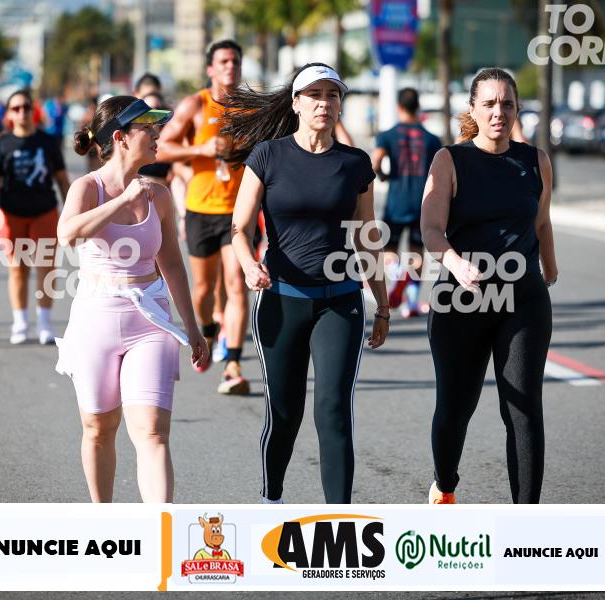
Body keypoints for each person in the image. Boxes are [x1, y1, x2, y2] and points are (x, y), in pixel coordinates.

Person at [224, 63, 390, 504]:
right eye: (314, 95)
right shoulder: (268, 156)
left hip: (340, 301)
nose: (324, 103)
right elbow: (239, 228)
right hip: (282, 300)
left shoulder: (355, 163)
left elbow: (367, 237)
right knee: (285, 412)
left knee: (333, 410)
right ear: (296, 103)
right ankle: (272, 501)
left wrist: (383, 304)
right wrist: (248, 265)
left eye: (332, 95)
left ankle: (339, 520)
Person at [56, 95, 207, 502]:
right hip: (96, 316)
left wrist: (192, 328)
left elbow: (171, 264)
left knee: (153, 431)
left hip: (150, 318)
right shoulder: (87, 188)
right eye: (148, 127)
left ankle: (159, 531)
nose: (158, 135)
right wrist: (122, 201)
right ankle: (105, 522)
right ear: (120, 137)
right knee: (98, 428)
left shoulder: (159, 194)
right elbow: (67, 234)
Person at [421, 68, 558, 505]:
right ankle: (445, 485)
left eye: (507, 104)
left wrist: (549, 266)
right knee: (455, 408)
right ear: (474, 109)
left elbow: (541, 221)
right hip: (461, 299)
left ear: (517, 109)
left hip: (523, 299)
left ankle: (526, 520)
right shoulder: (450, 160)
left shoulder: (536, 160)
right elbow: (431, 228)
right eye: (490, 104)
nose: (499, 112)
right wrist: (455, 263)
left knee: (522, 408)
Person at [156, 39, 251, 395]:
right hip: (200, 209)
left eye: (235, 61)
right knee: (202, 290)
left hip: (238, 212)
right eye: (223, 61)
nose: (230, 67)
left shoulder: (249, 108)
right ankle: (209, 331)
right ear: (210, 68)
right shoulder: (195, 105)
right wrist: (201, 149)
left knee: (236, 283)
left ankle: (234, 364)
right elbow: (161, 148)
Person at [0, 89, 71, 345]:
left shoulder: (48, 142)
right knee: (18, 269)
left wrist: (72, 214)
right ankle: (20, 322)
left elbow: (62, 180)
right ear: (9, 114)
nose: (22, 112)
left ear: (34, 111)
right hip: (11, 213)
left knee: (46, 268)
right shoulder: (2, 144)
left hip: (44, 211)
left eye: (26, 107)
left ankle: (44, 322)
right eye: (16, 108)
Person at [372, 87, 442, 318]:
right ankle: (411, 303)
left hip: (396, 203)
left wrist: (383, 176)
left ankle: (398, 273)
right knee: (416, 253)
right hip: (422, 203)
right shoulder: (432, 139)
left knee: (388, 251)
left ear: (399, 107)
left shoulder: (387, 135)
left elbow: (375, 162)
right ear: (418, 106)